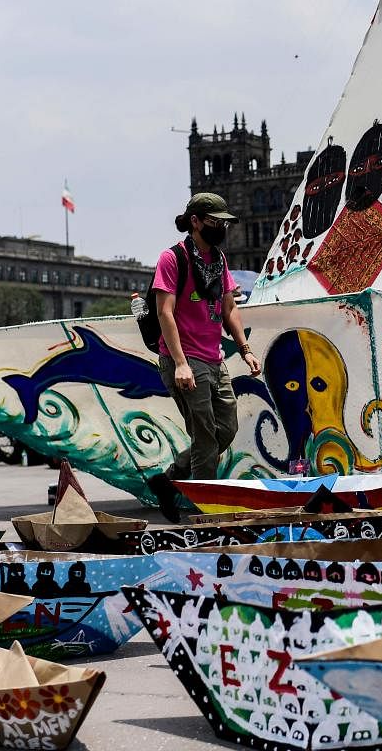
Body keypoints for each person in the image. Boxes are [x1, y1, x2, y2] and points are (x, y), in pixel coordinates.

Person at [145, 193, 262, 521]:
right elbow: (165, 312)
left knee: (225, 428)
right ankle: (205, 513)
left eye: (224, 222)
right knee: (206, 435)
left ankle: (168, 481)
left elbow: (229, 308)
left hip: (213, 359)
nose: (221, 227)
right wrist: (181, 363)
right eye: (215, 222)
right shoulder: (173, 259)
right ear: (195, 221)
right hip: (183, 359)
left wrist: (246, 349)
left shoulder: (219, 261)